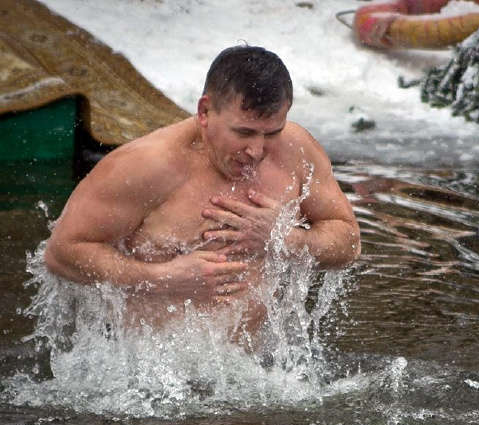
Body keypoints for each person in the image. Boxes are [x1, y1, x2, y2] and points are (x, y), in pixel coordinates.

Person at [44, 45, 360, 333]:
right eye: (244, 132)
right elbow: (62, 253)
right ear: (205, 112)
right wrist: (162, 279)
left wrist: (284, 237)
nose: (257, 150)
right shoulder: (147, 166)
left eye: (272, 133)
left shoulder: (295, 151)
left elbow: (348, 243)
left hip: (254, 373)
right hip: (147, 380)